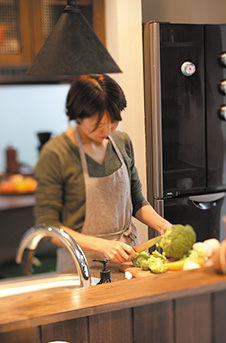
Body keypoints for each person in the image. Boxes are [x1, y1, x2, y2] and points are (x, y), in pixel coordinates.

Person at [34, 74, 172, 275]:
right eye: (98, 124)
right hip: (80, 266)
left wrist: (163, 225)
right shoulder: (57, 153)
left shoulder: (122, 142)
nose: (106, 130)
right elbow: (49, 228)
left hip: (128, 260)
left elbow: (137, 201)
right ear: (78, 116)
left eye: (113, 121)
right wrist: (104, 246)